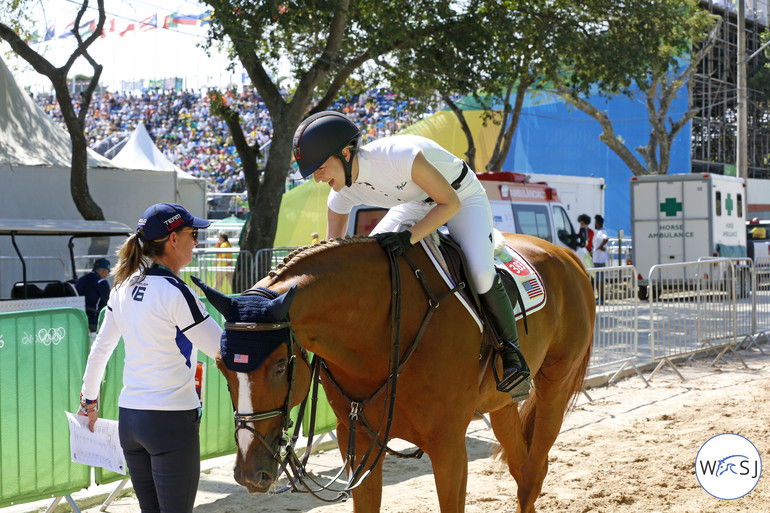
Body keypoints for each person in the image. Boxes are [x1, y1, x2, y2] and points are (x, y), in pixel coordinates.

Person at [292, 110, 530, 399]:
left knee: (480, 274)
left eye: (319, 168)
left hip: (461, 197)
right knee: (378, 260)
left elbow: (450, 203)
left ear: (344, 153)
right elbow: (332, 254)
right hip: (416, 203)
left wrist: (409, 236)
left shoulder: (398, 156)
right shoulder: (340, 196)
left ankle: (513, 356)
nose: (317, 179)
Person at [77, 202, 222, 513]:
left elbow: (101, 350)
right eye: (192, 234)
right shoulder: (177, 291)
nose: (196, 241)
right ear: (172, 239)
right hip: (170, 420)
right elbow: (222, 350)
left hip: (131, 418)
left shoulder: (122, 287)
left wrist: (88, 401)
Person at [75, 257, 112, 331]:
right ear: (104, 270)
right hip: (94, 320)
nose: (107, 274)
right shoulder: (102, 282)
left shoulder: (80, 280)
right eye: (108, 272)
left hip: (78, 318)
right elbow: (107, 303)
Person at [592, 214, 609, 304]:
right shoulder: (599, 232)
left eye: (595, 222)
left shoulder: (602, 232)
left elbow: (606, 239)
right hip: (597, 259)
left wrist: (601, 246)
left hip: (600, 260)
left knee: (600, 280)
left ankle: (601, 298)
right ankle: (599, 297)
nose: (594, 224)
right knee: (598, 280)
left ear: (598, 223)